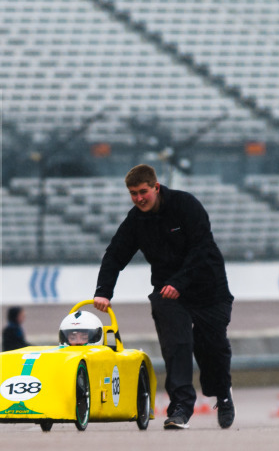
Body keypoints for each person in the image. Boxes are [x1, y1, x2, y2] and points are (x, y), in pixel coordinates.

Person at [93, 164, 235, 430]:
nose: (138, 198)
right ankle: (180, 407)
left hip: (209, 289)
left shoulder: (186, 205)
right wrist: (103, 292)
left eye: (143, 192)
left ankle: (223, 394)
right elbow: (114, 255)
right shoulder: (136, 220)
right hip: (169, 294)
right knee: (176, 344)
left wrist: (179, 282)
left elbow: (202, 248)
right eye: (133, 194)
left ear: (156, 187)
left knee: (211, 347)